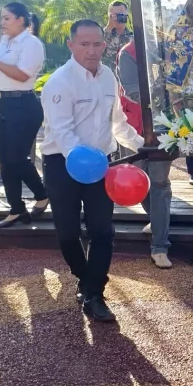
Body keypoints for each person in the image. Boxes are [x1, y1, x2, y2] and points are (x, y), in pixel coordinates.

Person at [41, 19, 144, 322]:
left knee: (102, 230)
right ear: (71, 45)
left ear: (104, 44)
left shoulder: (108, 76)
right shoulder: (60, 82)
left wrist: (143, 146)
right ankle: (84, 278)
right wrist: (85, 162)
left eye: (97, 43)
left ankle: (94, 293)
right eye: (84, 44)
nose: (91, 50)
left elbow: (118, 122)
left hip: (102, 164)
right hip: (63, 163)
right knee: (68, 232)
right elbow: (62, 132)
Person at [0, 1, 49, 228]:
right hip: (3, 103)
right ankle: (16, 208)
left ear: (20, 20)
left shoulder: (31, 43)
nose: (1, 23)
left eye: (6, 18)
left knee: (16, 157)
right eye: (1, 18)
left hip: (23, 104)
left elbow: (22, 75)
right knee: (4, 160)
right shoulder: (5, 41)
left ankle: (42, 194)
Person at [118, 37, 173, 269]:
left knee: (159, 184)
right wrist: (167, 98)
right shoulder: (128, 52)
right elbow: (131, 90)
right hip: (132, 128)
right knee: (138, 185)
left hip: (163, 128)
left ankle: (160, 245)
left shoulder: (172, 49)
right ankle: (156, 220)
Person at [102, 0, 133, 71]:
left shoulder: (133, 38)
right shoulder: (101, 36)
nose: (119, 18)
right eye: (115, 15)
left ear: (127, 16)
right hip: (108, 78)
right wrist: (109, 27)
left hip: (127, 80)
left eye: (121, 14)